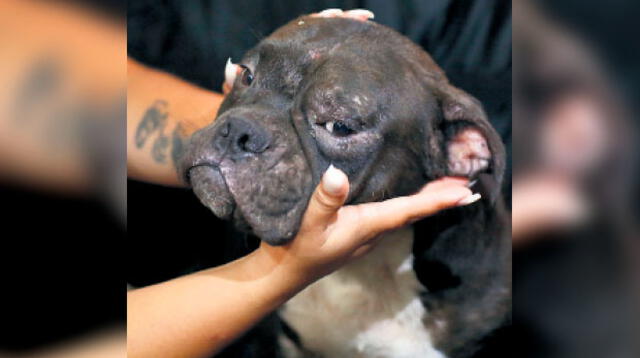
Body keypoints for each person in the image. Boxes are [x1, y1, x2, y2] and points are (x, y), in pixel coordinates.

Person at [126, 9, 481, 358]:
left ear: (460, 152)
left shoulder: (487, 298)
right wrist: (277, 272)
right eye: (247, 77)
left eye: (339, 126)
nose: (240, 134)